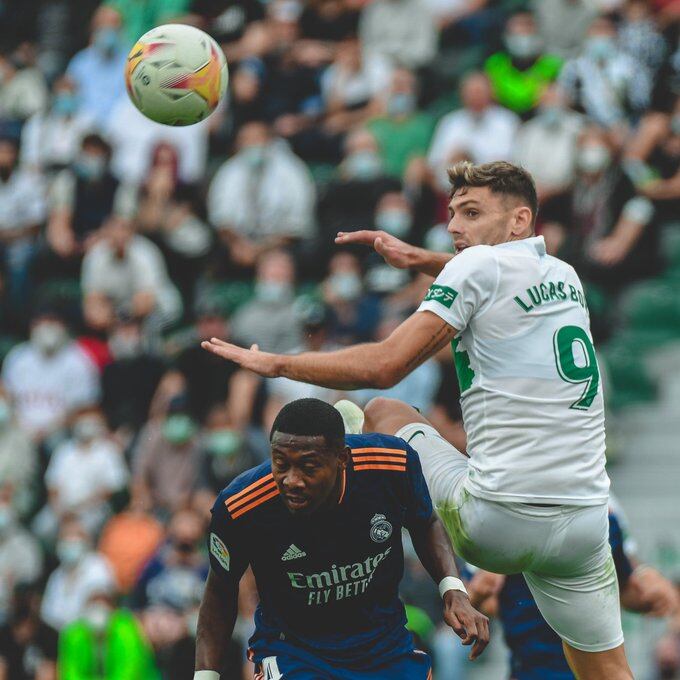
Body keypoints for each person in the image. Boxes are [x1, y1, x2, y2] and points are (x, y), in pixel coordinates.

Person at [202, 160, 634, 678]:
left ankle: (347, 494)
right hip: (586, 519)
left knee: (381, 411)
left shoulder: (474, 270)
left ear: (519, 221)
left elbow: (386, 366)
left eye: (471, 213)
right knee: (606, 669)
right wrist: (421, 260)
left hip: (497, 517)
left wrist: (276, 363)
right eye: (452, 213)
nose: (454, 226)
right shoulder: (564, 274)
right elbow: (497, 275)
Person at [194, 398, 488, 679]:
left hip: (381, 644)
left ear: (342, 458)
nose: (291, 480)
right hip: (294, 649)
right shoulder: (241, 505)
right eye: (280, 464)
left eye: (308, 467)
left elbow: (425, 522)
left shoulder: (392, 464)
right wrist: (205, 676)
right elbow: (220, 589)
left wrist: (453, 590)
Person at [466, 497, 679, 680]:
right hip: (530, 668)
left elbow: (625, 589)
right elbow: (478, 604)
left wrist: (652, 592)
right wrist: (480, 590)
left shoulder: (602, 517)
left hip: (591, 669)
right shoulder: (496, 521)